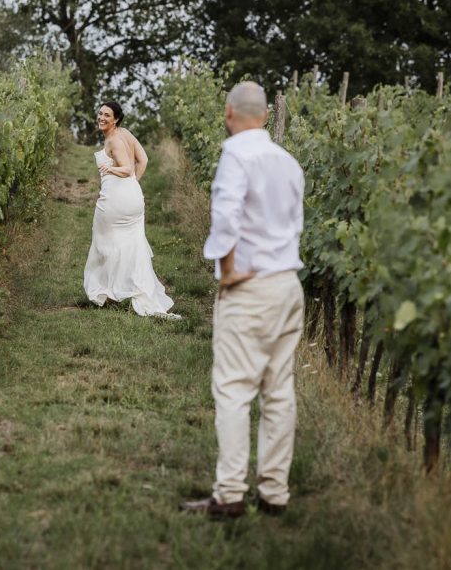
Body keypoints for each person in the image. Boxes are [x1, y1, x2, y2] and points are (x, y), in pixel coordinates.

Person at [181, 81, 305, 518]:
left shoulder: (236, 154)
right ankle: (274, 492)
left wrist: (227, 270)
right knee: (279, 390)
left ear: (228, 113)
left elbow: (226, 216)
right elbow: (294, 226)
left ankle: (230, 493)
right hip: (288, 284)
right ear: (267, 115)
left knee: (234, 389)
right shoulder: (288, 162)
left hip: (250, 287)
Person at [83, 101, 179, 319]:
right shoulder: (125, 133)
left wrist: (111, 168)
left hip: (115, 200)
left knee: (104, 243)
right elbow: (143, 160)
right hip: (134, 198)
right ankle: (130, 289)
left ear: (116, 119)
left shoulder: (114, 140)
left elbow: (126, 168)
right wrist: (133, 185)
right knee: (132, 245)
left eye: (107, 115)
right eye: (100, 113)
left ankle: (106, 292)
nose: (101, 117)